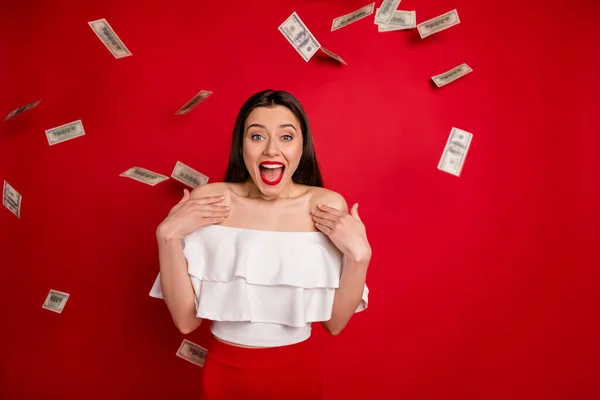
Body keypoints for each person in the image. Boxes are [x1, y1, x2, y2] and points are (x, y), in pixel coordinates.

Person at [149, 89, 371, 399]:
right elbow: (186, 321)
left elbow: (334, 324)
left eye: (286, 137)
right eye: (256, 137)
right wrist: (167, 237)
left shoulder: (326, 207)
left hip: (296, 376)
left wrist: (360, 257)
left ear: (302, 146)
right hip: (225, 377)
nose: (271, 150)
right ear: (241, 146)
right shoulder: (210, 201)